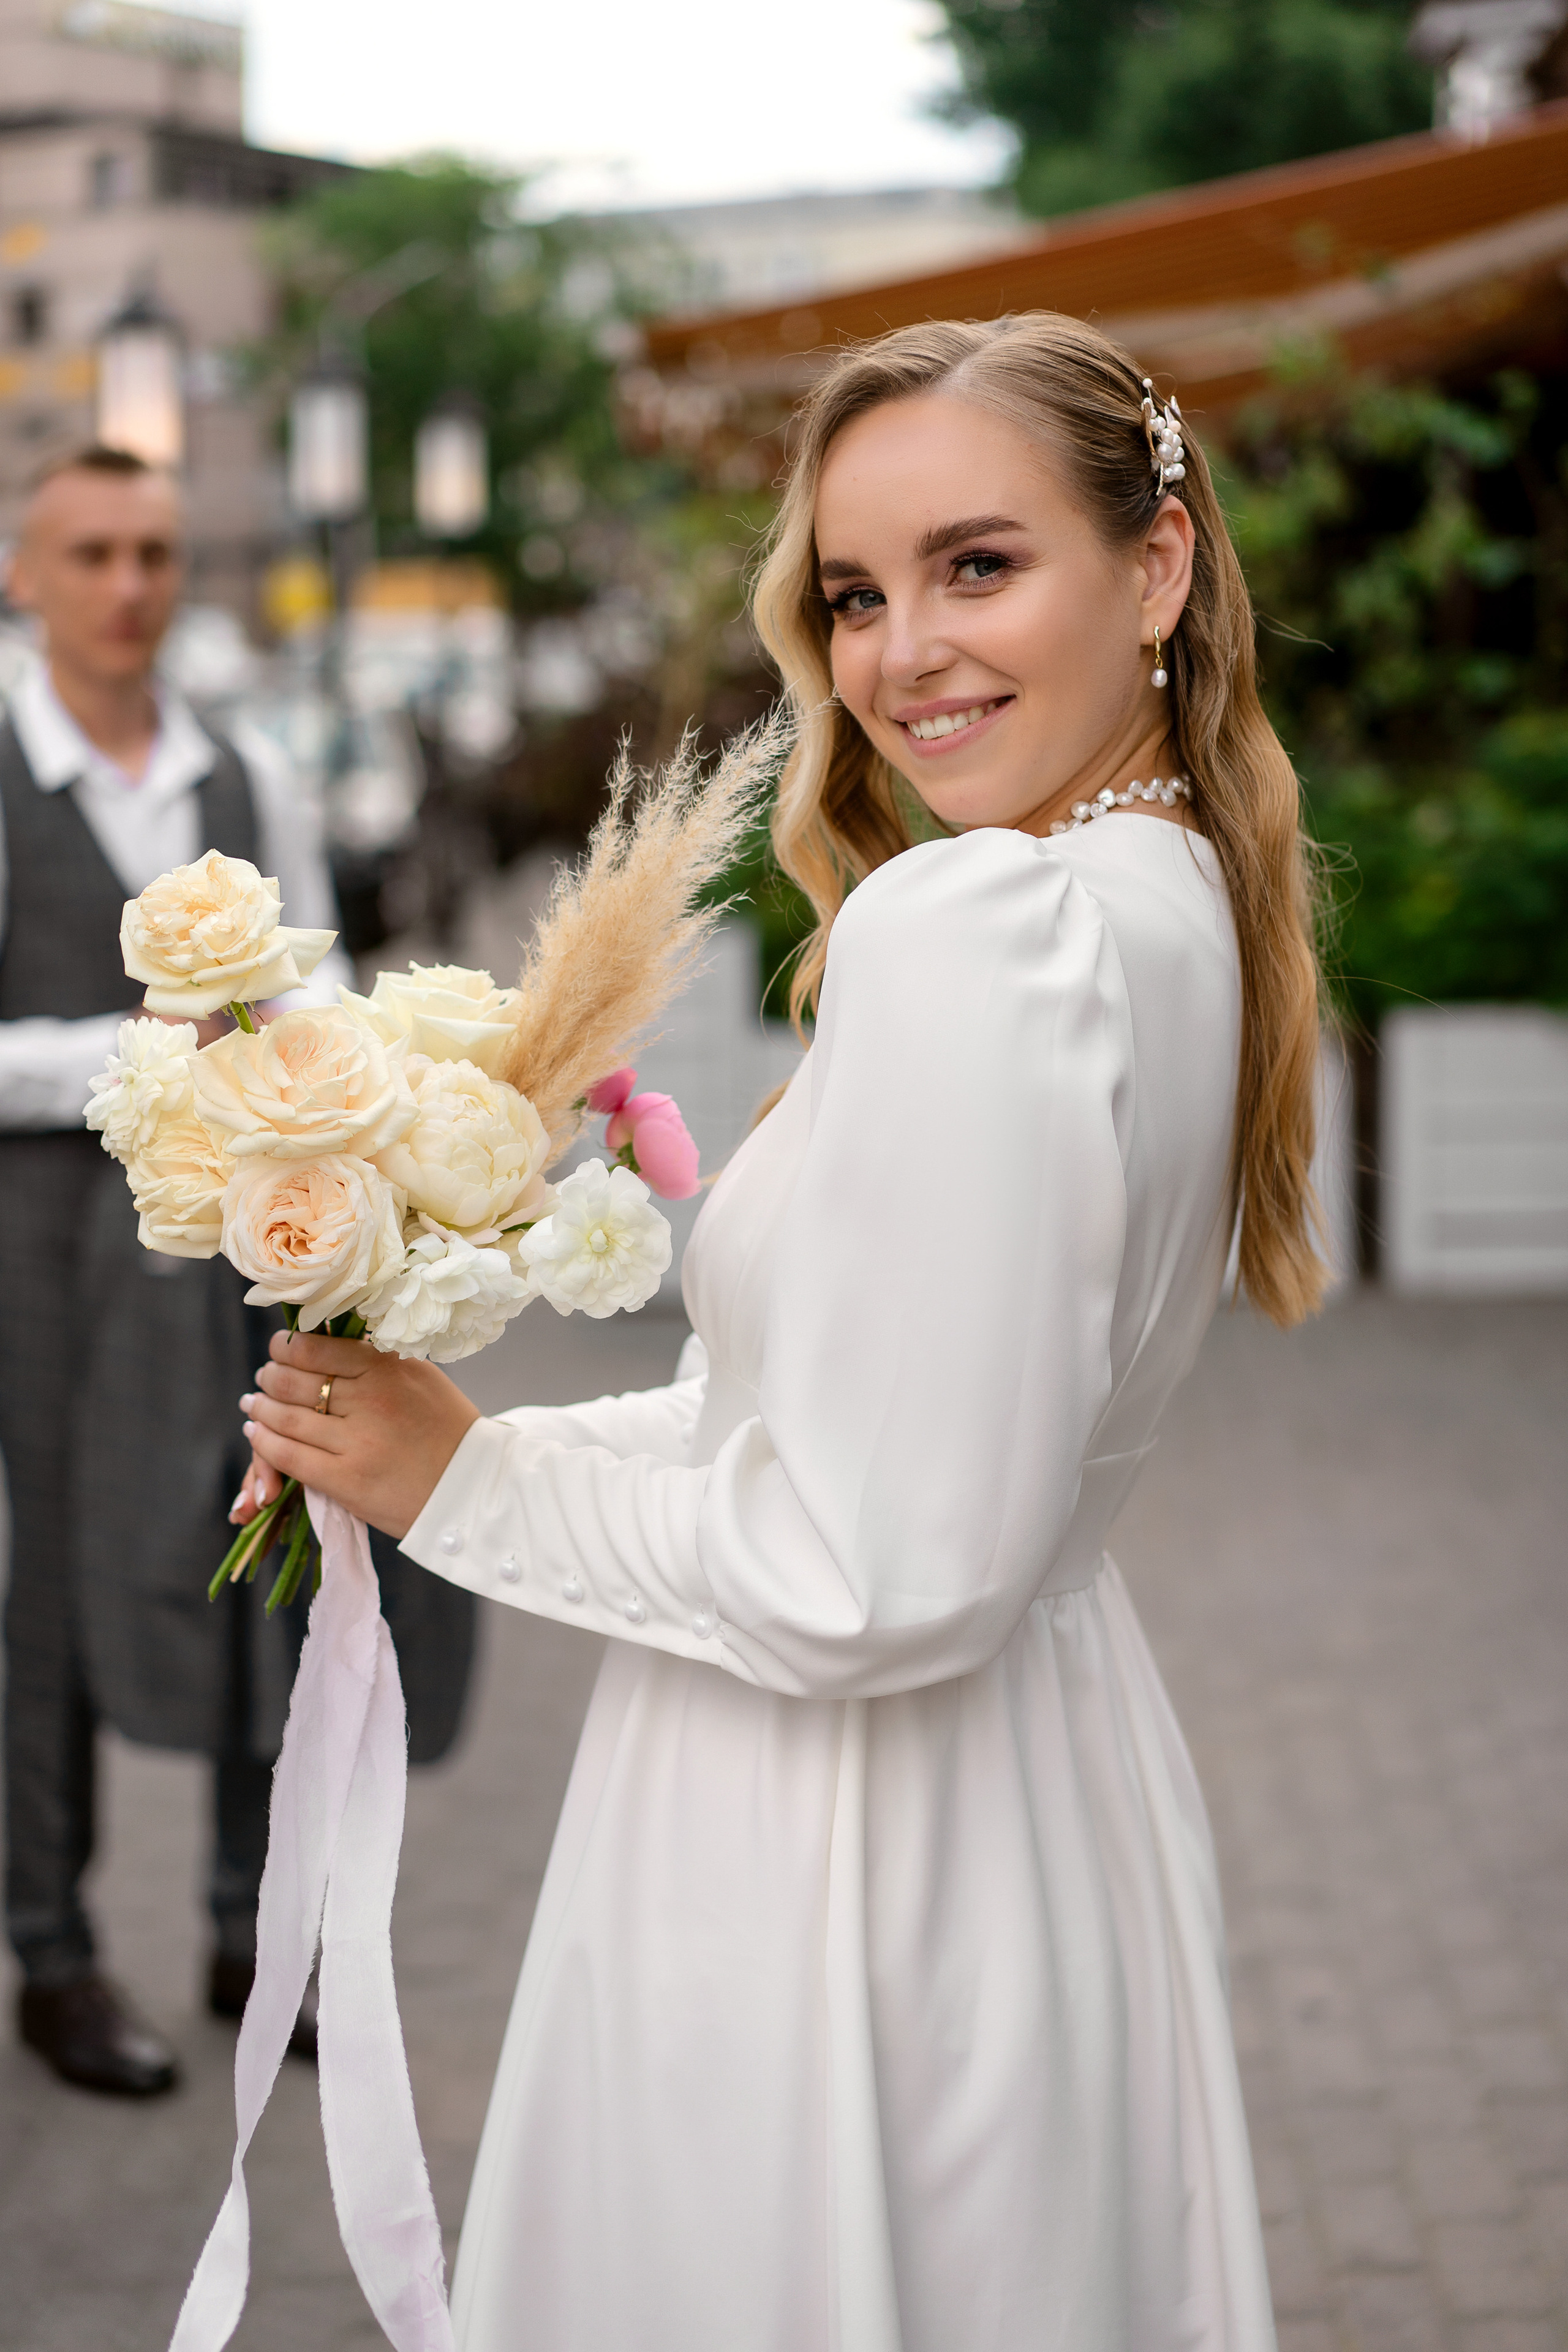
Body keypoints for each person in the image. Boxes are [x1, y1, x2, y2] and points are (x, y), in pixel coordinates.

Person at [235, 315, 1326, 2348]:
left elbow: (869, 1575)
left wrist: (472, 1488)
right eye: (852, 594)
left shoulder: (976, 933)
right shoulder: (1162, 901)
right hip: (1032, 1786)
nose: (903, 651)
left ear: (1155, 567)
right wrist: (448, 1438)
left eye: (979, 566)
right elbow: (830, 1428)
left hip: (844, 1854)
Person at [0, 446, 474, 2099]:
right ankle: (50, 1956)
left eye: (151, 550)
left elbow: (318, 972)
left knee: (261, 1523)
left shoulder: (245, 772)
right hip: (43, 1234)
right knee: (50, 1575)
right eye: (92, 551)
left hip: (231, 1222)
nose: (128, 582)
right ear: (27, 575)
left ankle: (243, 1926)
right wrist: (130, 1056)